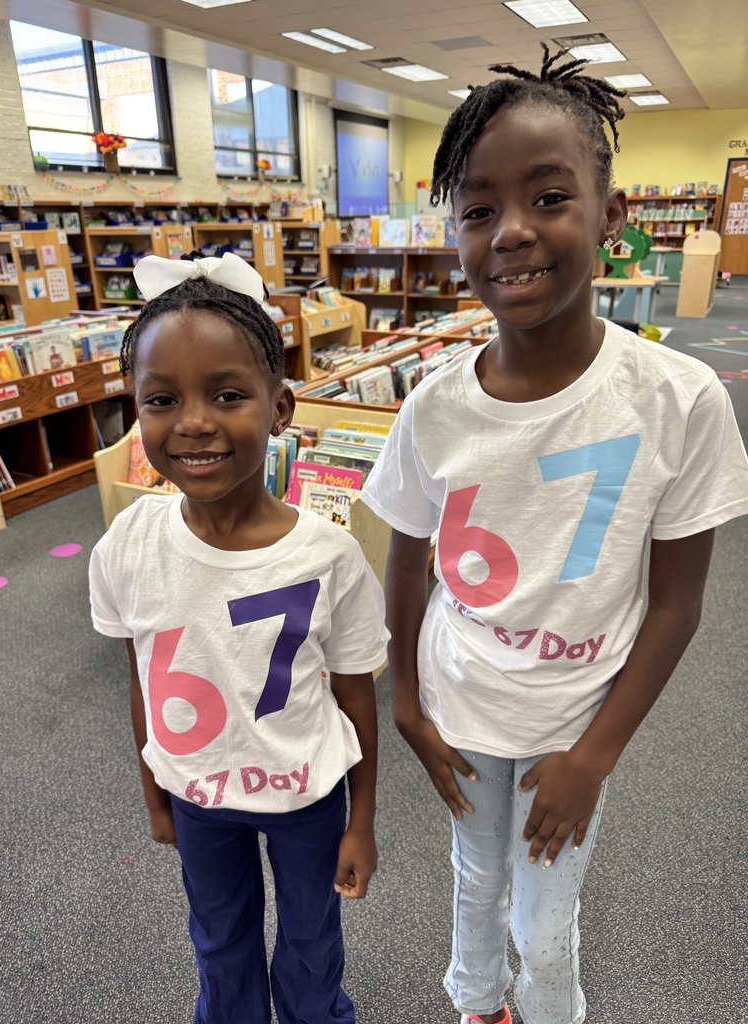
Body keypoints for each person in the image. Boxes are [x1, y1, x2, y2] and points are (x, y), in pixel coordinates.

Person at [360, 45, 748, 1024]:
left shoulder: (679, 399)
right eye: (479, 210)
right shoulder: (434, 407)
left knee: (548, 915)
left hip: (572, 725)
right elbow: (409, 549)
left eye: (549, 196)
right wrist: (404, 695)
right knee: (473, 880)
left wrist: (596, 755)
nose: (512, 232)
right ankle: (475, 1004)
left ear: (612, 216)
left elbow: (678, 602)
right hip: (459, 701)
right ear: (453, 233)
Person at [89, 250, 389, 1024]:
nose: (192, 422)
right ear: (135, 412)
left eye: (226, 394)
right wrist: (154, 791)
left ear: (281, 408)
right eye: (160, 399)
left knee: (311, 940)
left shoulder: (330, 555)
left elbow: (355, 693)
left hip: (307, 796)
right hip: (197, 794)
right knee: (219, 941)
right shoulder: (128, 543)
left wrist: (362, 820)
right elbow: (142, 676)